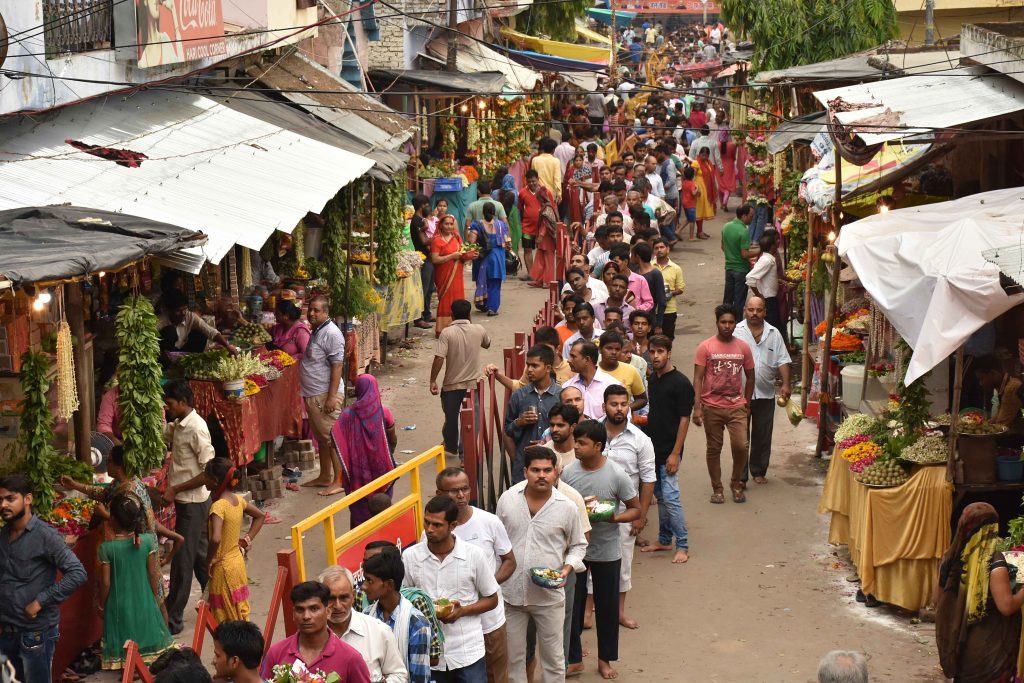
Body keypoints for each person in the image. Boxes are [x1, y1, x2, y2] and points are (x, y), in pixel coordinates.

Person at [496, 447, 587, 683]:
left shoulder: (567, 506)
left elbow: (579, 545)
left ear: (556, 473)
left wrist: (565, 570)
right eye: (536, 470)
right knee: (514, 661)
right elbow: (496, 543)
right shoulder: (507, 500)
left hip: (549, 597)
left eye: (547, 470)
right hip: (512, 596)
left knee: (554, 662)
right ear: (525, 472)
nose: (542, 475)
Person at [561, 421, 640, 680]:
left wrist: (613, 517)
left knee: (607, 608)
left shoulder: (616, 474)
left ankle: (604, 660)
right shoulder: (568, 473)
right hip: (575, 551)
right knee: (571, 607)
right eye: (576, 441)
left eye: (582, 443)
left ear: (598, 446)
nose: (577, 447)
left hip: (607, 550)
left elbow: (635, 509)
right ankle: (573, 659)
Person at [402, 496, 500, 682]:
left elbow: (492, 599)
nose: (429, 529)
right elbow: (404, 599)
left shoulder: (474, 555)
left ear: (452, 525)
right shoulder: (410, 557)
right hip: (428, 653)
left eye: (437, 525)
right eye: (427, 522)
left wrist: (462, 611)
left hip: (467, 651)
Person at [0, 474, 86, 683]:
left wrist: (40, 601)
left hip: (35, 635)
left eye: (10, 499)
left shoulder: (45, 536)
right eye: (0, 500)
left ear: (28, 499)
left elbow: (77, 573)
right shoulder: (3, 535)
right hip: (7, 632)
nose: (3, 505)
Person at [436, 469, 516, 683]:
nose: (461, 495)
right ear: (439, 493)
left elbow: (510, 561)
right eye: (454, 491)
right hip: (452, 630)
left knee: (495, 677)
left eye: (465, 489)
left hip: (489, 622)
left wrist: (488, 584)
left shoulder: (489, 521)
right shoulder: (434, 531)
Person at [935, 503, 1023, 682]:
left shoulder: (949, 557)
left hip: (960, 647)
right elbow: (1007, 606)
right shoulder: (993, 562)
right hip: (988, 651)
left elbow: (936, 599)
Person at [598, 384, 655, 630]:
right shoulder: (592, 434)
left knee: (622, 563)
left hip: (624, 511)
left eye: (624, 404)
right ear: (604, 406)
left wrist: (640, 516)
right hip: (590, 510)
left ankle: (619, 613)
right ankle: (590, 613)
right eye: (614, 404)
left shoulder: (641, 440)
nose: (620, 409)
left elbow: (648, 478)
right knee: (587, 564)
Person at [161, 379, 216, 635]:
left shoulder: (196, 428)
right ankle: (216, 603)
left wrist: (176, 489)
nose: (168, 407)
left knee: (183, 561)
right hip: (191, 503)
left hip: (193, 503)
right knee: (200, 557)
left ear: (183, 402)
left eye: (170, 404)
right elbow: (165, 434)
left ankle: (172, 618)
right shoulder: (178, 425)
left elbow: (208, 471)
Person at [99, 495, 175, 669]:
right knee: (140, 628)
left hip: (118, 602)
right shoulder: (147, 541)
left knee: (125, 631)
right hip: (143, 596)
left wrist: (101, 605)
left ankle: (129, 666)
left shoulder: (106, 548)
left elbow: (105, 583)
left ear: (113, 520)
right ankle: (142, 664)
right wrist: (156, 598)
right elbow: (153, 574)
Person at [693, 305, 755, 505]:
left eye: (730, 322)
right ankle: (717, 488)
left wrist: (746, 401)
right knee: (714, 448)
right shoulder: (706, 347)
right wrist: (697, 407)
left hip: (737, 405)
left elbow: (751, 375)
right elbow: (698, 378)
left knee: (741, 446)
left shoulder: (743, 347)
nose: (727, 326)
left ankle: (736, 482)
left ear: (735, 323)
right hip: (712, 406)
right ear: (717, 323)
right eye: (723, 322)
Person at [640, 335, 693, 563]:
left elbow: (684, 419)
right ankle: (664, 539)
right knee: (660, 496)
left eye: (660, 352)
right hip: (653, 449)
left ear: (669, 353)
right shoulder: (653, 380)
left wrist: (675, 453)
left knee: (671, 498)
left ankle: (682, 545)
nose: (656, 356)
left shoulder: (681, 383)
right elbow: (656, 413)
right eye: (652, 352)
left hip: (670, 450)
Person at [261, 581, 372, 682]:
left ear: (328, 612)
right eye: (300, 610)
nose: (306, 616)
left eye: (314, 609)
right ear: (293, 614)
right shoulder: (276, 653)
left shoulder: (351, 658)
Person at [734, 297, 791, 485]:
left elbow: (782, 359)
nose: (755, 313)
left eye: (759, 310)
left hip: (765, 392)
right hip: (739, 394)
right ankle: (741, 476)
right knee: (741, 437)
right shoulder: (736, 332)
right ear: (745, 311)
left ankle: (758, 470)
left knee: (763, 435)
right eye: (751, 309)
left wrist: (786, 384)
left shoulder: (774, 333)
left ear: (765, 312)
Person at [326, 375, 398, 518]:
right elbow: (393, 439)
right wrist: (387, 453)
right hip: (382, 469)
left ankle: (360, 537)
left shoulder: (347, 415)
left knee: (360, 514)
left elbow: (334, 440)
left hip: (357, 473)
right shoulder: (384, 412)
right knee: (382, 511)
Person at [320, 566, 408, 683]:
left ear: (353, 595)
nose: (338, 606)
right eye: (331, 598)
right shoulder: (311, 636)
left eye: (343, 597)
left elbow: (399, 675)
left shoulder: (379, 631)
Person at [204, 457, 266, 623]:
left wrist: (208, 561)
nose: (204, 480)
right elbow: (260, 516)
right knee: (239, 612)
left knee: (226, 619)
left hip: (223, 567)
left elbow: (216, 538)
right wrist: (246, 540)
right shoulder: (238, 500)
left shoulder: (218, 506)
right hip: (237, 562)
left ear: (215, 480)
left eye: (206, 476)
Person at [361, 550, 434, 683]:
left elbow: (420, 678)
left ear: (389, 584)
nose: (363, 586)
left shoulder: (416, 624)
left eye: (370, 581)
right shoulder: (366, 615)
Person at [298, 295, 347, 492]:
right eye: (310, 309)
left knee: (332, 438)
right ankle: (325, 476)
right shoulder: (318, 330)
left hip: (324, 394)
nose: (311, 313)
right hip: (314, 394)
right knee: (322, 438)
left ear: (326, 312)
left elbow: (337, 366)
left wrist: (332, 397)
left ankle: (340, 481)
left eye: (316, 310)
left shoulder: (332, 333)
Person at [431, 300, 490, 459]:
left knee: (450, 418)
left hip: (451, 385)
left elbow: (439, 358)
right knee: (473, 419)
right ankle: (466, 455)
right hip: (473, 386)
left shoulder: (447, 333)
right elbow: (487, 344)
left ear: (452, 314)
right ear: (470, 314)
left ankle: (451, 445)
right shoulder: (479, 329)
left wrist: (433, 380)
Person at [504, 346, 563, 484]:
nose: (529, 370)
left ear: (548, 368)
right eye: (528, 365)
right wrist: (519, 422)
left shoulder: (561, 395)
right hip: (523, 466)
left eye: (535, 366)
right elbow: (507, 431)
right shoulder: (519, 395)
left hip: (554, 463)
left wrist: (547, 443)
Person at [488, 326, 574, 392]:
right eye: (540, 348)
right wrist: (498, 375)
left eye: (547, 349)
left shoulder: (571, 368)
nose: (543, 353)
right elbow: (520, 387)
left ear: (557, 349)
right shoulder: (532, 367)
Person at [156, 289, 238, 355]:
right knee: (170, 331)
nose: (183, 313)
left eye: (185, 309)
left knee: (201, 332)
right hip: (166, 354)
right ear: (169, 311)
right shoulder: (160, 322)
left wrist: (227, 346)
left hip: (183, 350)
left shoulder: (189, 316)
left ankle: (192, 358)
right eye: (178, 311)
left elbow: (210, 331)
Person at [563, 341, 620, 420]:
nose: (569, 360)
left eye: (573, 356)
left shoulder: (611, 385)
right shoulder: (567, 387)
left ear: (587, 359)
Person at [431, 215, 468, 335]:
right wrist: (451, 256)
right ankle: (444, 329)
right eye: (446, 224)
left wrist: (469, 256)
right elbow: (435, 259)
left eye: (451, 224)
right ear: (441, 225)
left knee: (458, 298)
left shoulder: (457, 237)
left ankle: (460, 328)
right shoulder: (436, 240)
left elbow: (463, 253)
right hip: (443, 275)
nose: (449, 226)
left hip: (457, 275)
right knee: (445, 299)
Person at [597, 331, 647, 412]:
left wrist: (626, 408)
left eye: (617, 349)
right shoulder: (593, 371)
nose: (613, 352)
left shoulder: (631, 371)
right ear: (600, 349)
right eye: (609, 348)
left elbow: (642, 399)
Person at [972, 355, 1024, 432]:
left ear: (993, 373)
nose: (980, 383)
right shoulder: (1004, 386)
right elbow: (1000, 416)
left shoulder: (1011, 388)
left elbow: (1001, 425)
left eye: (982, 378)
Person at [721, 204, 755, 315]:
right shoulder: (743, 231)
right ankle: (737, 327)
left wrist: (732, 254)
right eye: (750, 216)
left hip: (729, 268)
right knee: (739, 302)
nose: (752, 218)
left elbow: (723, 247)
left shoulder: (726, 226)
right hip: (741, 269)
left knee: (727, 301)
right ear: (744, 216)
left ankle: (724, 321)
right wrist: (760, 251)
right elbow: (744, 255)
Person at [745, 233, 782, 330]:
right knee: (771, 327)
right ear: (772, 246)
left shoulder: (767, 259)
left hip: (769, 298)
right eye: (775, 243)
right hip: (768, 299)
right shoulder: (767, 260)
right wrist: (758, 295)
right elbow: (750, 278)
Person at [410, 194, 436, 330]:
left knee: (429, 288)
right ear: (423, 206)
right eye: (427, 205)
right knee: (423, 289)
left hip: (428, 257)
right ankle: (418, 318)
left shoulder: (422, 219)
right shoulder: (417, 221)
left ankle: (426, 314)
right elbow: (424, 241)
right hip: (423, 258)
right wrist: (438, 236)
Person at [653, 237, 685, 339]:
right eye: (656, 248)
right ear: (653, 250)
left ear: (668, 249)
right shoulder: (649, 266)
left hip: (669, 309)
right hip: (652, 309)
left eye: (662, 247)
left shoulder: (676, 268)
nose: (659, 250)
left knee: (668, 338)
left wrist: (671, 293)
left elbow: (680, 288)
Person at [631, 242, 667, 331]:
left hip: (649, 318)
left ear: (637, 257)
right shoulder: (634, 271)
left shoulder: (655, 274)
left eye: (632, 254)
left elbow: (661, 301)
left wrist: (659, 324)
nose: (630, 257)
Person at [608, 244, 654, 312]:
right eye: (611, 262)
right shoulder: (609, 279)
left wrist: (635, 309)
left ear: (626, 262)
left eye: (616, 262)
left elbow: (649, 303)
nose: (613, 265)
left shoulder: (640, 280)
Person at [692, 147, 718, 240]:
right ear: (699, 154)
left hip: (707, 189)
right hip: (699, 189)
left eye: (706, 155)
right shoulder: (696, 163)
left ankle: (700, 231)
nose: (704, 156)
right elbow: (692, 176)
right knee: (699, 210)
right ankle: (699, 232)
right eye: (702, 155)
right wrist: (694, 188)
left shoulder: (708, 162)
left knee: (703, 209)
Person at [531, 138, 563, 208]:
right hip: (551, 193)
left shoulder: (535, 160)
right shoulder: (555, 161)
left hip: (537, 192)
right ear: (553, 150)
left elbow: (532, 176)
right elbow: (557, 179)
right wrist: (559, 193)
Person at [679, 165, 699, 241]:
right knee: (692, 220)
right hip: (690, 204)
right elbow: (694, 193)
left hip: (685, 202)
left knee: (688, 219)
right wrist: (697, 188)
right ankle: (691, 237)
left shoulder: (684, 182)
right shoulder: (692, 183)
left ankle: (678, 230)